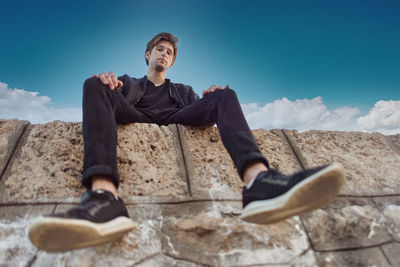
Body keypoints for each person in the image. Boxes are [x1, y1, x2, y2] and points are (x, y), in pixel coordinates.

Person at [28, 33, 344, 252]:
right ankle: (104, 197)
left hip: (177, 117)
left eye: (169, 52)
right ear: (147, 54)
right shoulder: (131, 82)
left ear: (173, 61)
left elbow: (197, 112)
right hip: (136, 114)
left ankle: (258, 181)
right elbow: (111, 98)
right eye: (159, 49)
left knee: (225, 94)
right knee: (93, 83)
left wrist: (211, 100)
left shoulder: (183, 89)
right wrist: (108, 84)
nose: (164, 54)